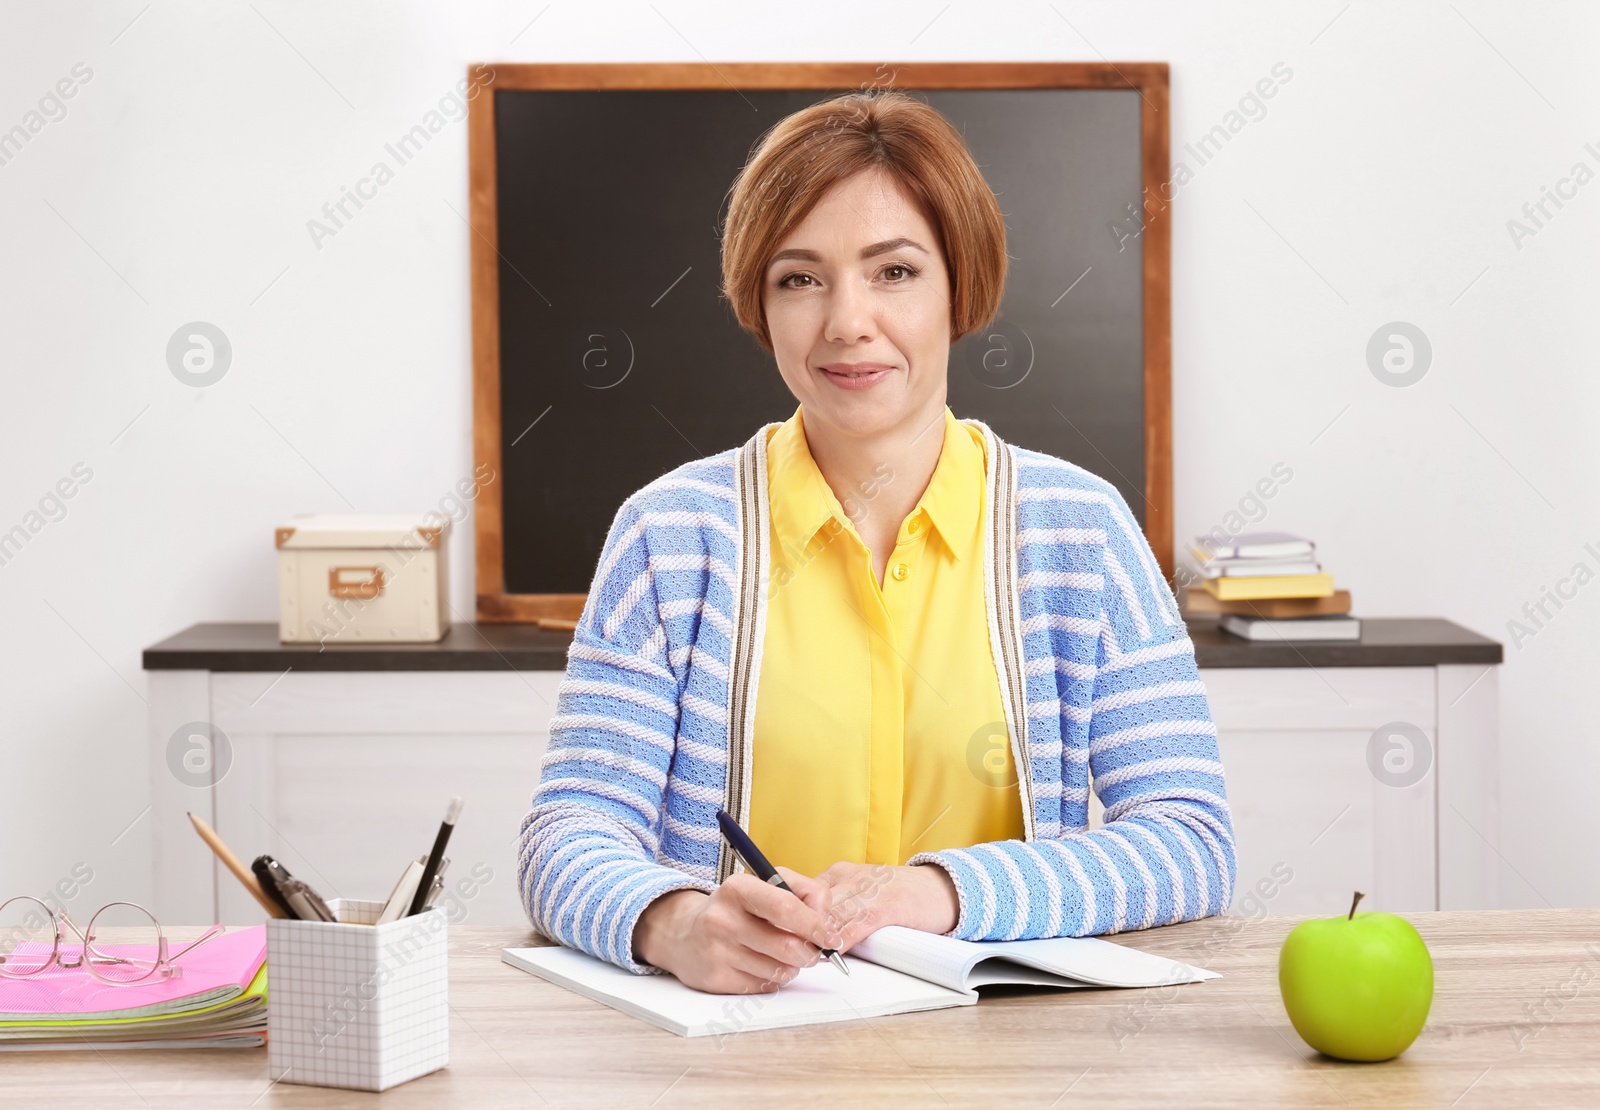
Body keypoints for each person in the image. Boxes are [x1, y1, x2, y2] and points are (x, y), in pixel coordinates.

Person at [518, 88, 1235, 995]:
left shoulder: (1078, 532)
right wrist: (674, 921)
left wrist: (932, 892)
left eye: (893, 271)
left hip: (1008, 1062)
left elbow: (1190, 841)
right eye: (800, 278)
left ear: (956, 286)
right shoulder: (670, 537)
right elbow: (566, 835)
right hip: (736, 1056)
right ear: (760, 305)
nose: (847, 321)